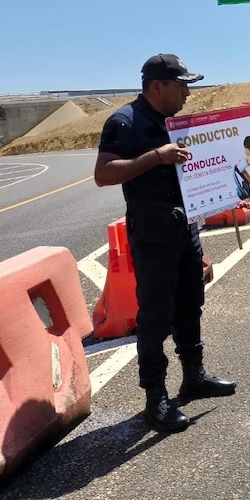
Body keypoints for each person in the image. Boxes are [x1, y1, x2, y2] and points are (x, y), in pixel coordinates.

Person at [94, 53, 236, 433]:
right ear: (158, 86)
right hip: (152, 234)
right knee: (155, 317)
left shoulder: (175, 123)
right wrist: (155, 157)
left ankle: (194, 375)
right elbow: (104, 173)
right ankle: (155, 398)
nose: (188, 92)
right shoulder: (124, 122)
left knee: (192, 302)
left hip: (185, 227)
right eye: (182, 84)